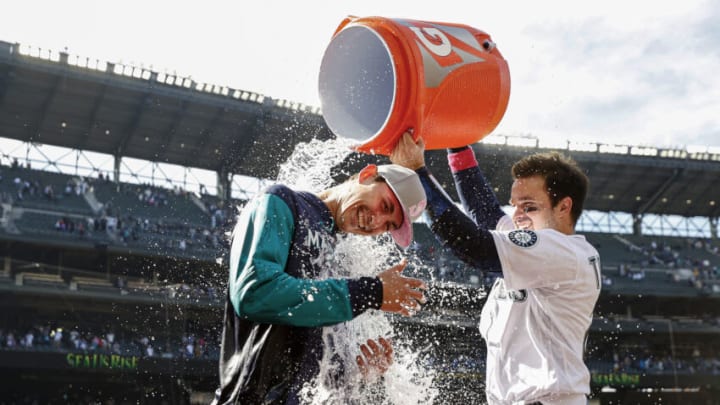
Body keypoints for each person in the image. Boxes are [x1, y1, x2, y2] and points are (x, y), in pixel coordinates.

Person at [391, 133, 601, 405]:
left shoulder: (563, 251)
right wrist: (458, 140)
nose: (517, 216)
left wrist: (416, 172)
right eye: (515, 206)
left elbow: (470, 244)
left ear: (564, 207)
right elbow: (486, 214)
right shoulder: (542, 247)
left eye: (529, 206)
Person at [212, 163, 428, 404]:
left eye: (387, 226)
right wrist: (371, 292)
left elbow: (317, 370)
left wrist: (362, 377)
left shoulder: (344, 257)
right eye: (385, 206)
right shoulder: (281, 202)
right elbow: (255, 293)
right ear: (367, 176)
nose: (376, 221)